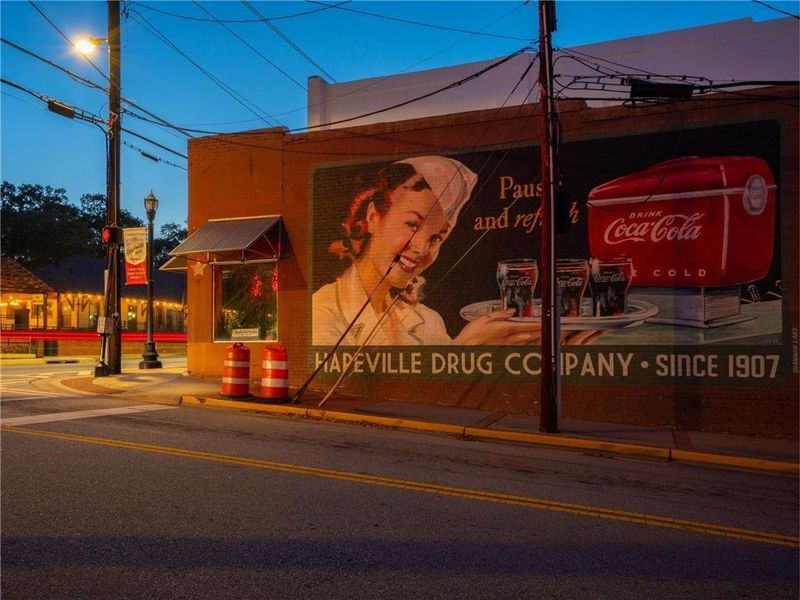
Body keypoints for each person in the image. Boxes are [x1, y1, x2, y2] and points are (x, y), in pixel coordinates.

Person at [312, 155, 539, 346]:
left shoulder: (428, 321)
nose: (422, 248)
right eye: (412, 225)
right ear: (373, 217)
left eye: (436, 237)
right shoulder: (322, 314)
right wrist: (464, 347)